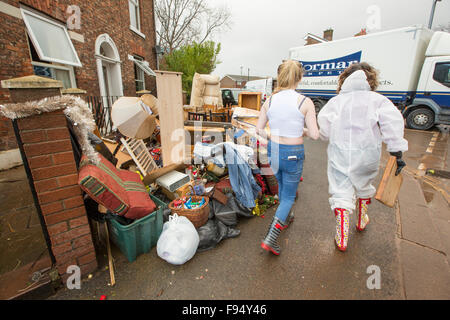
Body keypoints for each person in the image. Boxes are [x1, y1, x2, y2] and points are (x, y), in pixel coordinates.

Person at [317, 62, 408, 252]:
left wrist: (329, 134)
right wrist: (397, 152)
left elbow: (324, 128)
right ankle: (361, 220)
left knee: (341, 189)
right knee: (364, 185)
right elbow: (393, 123)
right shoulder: (378, 100)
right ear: (370, 79)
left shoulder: (336, 102)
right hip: (368, 153)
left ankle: (342, 236)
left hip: (341, 153)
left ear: (345, 79)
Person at [256, 60, 319, 255]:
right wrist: (302, 130)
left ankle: (286, 215)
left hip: (274, 150)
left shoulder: (270, 101)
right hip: (293, 153)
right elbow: (316, 135)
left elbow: (258, 129)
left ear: (280, 77)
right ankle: (270, 238)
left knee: (282, 186)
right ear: (299, 77)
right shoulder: (304, 102)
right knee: (289, 195)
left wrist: (272, 137)